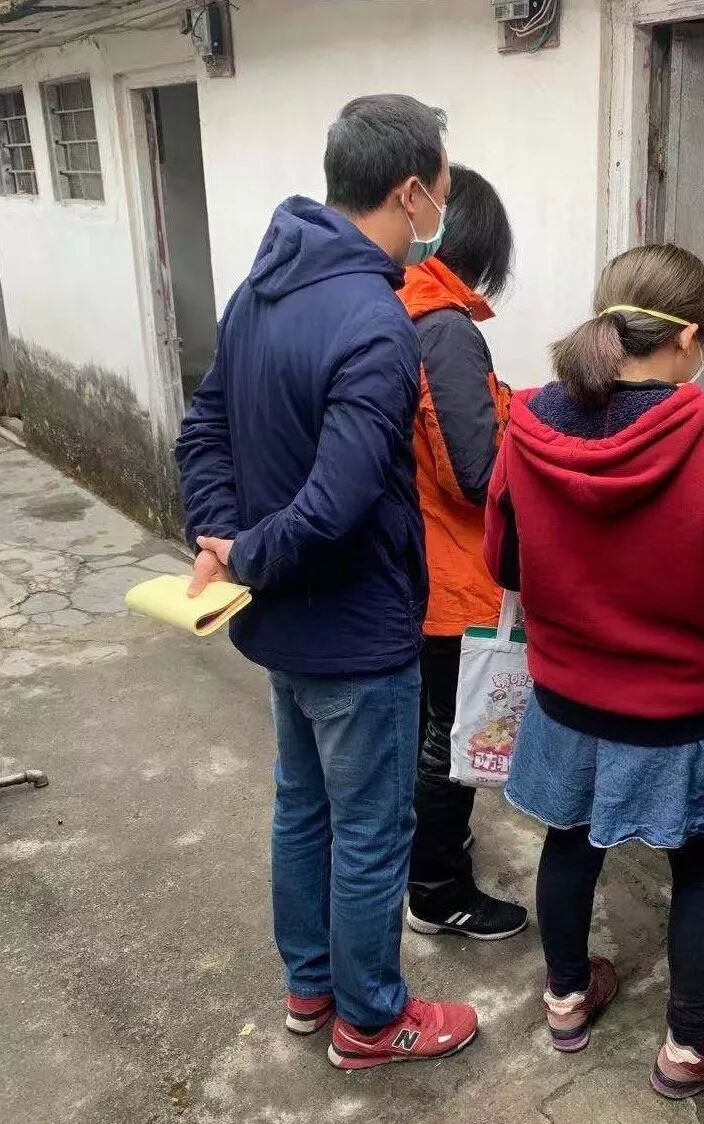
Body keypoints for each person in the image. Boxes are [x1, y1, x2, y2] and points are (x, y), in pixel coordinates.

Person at [174, 94, 478, 1071]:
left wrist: (221, 537)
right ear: (409, 191)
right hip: (356, 633)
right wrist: (241, 551)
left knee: (302, 808)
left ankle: (312, 986)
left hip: (281, 626)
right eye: (441, 189)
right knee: (370, 831)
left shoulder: (260, 288)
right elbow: (339, 501)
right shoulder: (375, 321)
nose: (441, 210)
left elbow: (203, 431)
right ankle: (372, 1018)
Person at [483, 244, 704, 1099]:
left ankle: (566, 999)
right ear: (689, 339)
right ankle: (688, 1047)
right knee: (701, 861)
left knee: (569, 838)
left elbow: (505, 562)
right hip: (683, 715)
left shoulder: (527, 426)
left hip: (567, 701)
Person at [397, 165, 528, 941]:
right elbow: (474, 472)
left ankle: (428, 857)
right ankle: (437, 890)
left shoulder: (400, 306)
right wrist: (527, 438)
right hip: (450, 572)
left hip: (414, 563)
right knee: (451, 739)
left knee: (429, 728)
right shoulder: (445, 329)